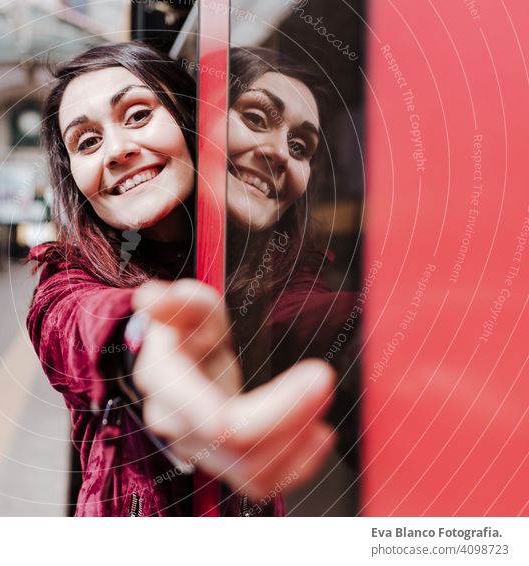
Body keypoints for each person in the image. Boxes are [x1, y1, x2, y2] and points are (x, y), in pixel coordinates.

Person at [27, 42, 336, 516]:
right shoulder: (66, 279)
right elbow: (77, 324)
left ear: (192, 122)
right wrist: (145, 348)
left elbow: (320, 312)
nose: (117, 150)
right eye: (86, 142)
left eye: (137, 114)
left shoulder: (282, 268)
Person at [223, 46, 360, 468]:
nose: (280, 153)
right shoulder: (89, 276)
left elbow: (321, 322)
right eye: (255, 118)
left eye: (300, 147)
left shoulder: (286, 286)